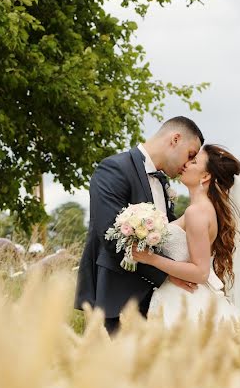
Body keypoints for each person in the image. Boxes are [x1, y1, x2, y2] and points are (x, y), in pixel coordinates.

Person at [74, 117, 204, 334]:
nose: (189, 164)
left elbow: (166, 238)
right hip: (115, 301)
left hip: (156, 304)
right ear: (175, 139)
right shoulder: (114, 169)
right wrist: (165, 275)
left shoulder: (162, 183)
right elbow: (112, 240)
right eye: (190, 155)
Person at [134, 144, 240, 325]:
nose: (186, 164)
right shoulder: (204, 209)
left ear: (205, 176)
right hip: (179, 294)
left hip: (185, 300)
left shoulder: (197, 212)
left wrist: (150, 259)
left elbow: (201, 272)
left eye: (194, 161)